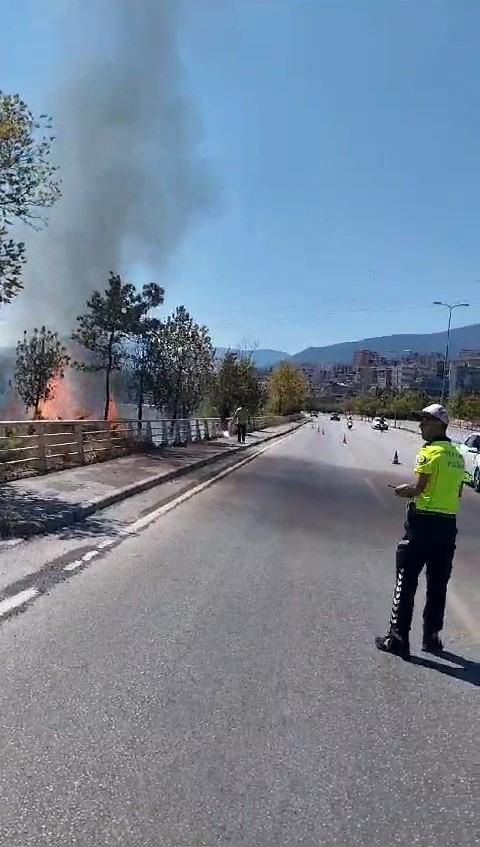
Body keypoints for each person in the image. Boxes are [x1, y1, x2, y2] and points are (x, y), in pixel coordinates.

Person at [375, 403, 466, 661]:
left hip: (423, 524)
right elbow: (458, 492)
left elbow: (419, 488)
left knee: (406, 580)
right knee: (438, 584)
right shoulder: (457, 456)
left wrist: (403, 490)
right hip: (447, 527)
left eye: (425, 420)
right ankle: (432, 637)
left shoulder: (429, 453)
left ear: (439, 424)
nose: (421, 424)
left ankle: (398, 639)